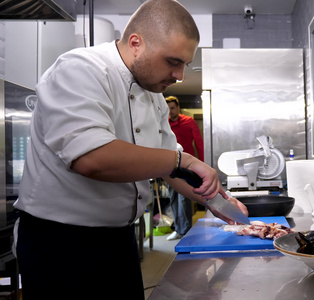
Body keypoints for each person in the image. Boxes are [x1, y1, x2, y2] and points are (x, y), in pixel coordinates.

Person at [12, 1, 247, 299]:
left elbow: (167, 163)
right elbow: (92, 158)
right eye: (173, 61)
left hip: (118, 238)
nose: (180, 75)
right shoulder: (81, 70)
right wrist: (181, 158)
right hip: (60, 241)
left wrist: (218, 200)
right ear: (136, 43)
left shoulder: (153, 96)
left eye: (184, 64)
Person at [165, 96, 204, 240]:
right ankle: (179, 228)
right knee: (173, 197)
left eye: (173, 108)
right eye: (168, 108)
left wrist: (202, 164)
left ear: (178, 108)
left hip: (186, 166)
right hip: (169, 165)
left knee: (184, 197)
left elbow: (199, 143)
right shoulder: (164, 124)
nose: (170, 111)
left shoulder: (189, 122)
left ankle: (185, 230)